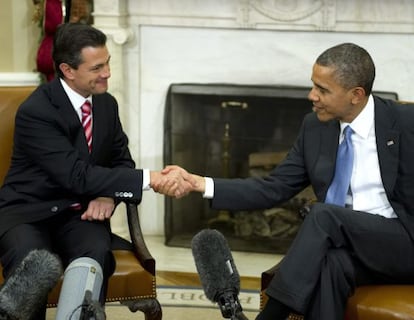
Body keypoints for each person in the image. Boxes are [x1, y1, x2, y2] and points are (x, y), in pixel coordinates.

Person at [156, 43, 414, 319]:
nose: (312, 95)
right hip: (348, 247)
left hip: (403, 243)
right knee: (331, 266)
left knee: (322, 215)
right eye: (313, 85)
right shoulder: (315, 127)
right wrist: (200, 184)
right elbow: (273, 187)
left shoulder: (405, 123)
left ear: (356, 94)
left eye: (323, 90)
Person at [0, 22, 193, 320]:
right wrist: (151, 179)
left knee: (96, 252)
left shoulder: (106, 104)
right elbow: (75, 175)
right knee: (31, 262)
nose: (107, 74)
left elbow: (121, 161)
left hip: (80, 215)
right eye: (97, 67)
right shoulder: (37, 111)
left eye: (108, 63)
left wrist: (108, 195)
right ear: (68, 69)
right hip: (29, 213)